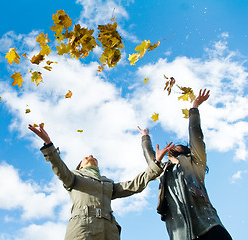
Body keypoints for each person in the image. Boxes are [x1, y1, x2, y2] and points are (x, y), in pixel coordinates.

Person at [28, 124, 174, 240]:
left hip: (109, 230)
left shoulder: (108, 184)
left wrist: (156, 162)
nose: (90, 155)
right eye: (86, 157)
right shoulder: (73, 177)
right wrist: (48, 144)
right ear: (80, 166)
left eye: (92, 156)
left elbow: (135, 184)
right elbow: (59, 166)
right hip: (83, 228)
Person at [138, 89, 232, 240]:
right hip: (181, 234)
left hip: (209, 226)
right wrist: (145, 137)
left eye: (178, 145)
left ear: (187, 151)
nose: (174, 145)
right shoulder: (163, 171)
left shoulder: (196, 163)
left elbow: (195, 134)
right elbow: (150, 160)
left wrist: (194, 108)